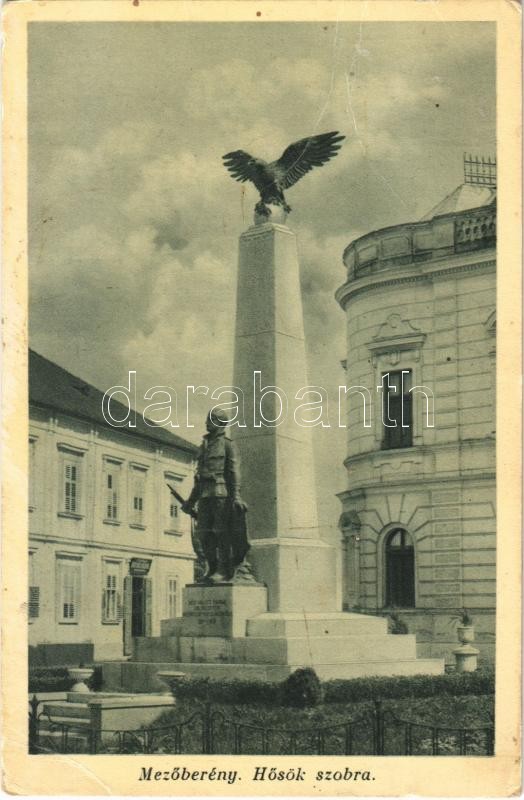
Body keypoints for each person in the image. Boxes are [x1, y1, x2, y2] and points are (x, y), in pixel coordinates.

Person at [182, 408, 250, 584]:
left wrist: (236, 496)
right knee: (203, 534)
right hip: (204, 495)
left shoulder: (228, 445)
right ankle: (211, 568)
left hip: (220, 494)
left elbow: (234, 472)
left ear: (220, 423)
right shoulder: (204, 446)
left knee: (221, 532)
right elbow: (198, 477)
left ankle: (223, 569)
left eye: (210, 420)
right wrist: (190, 501)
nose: (206, 423)